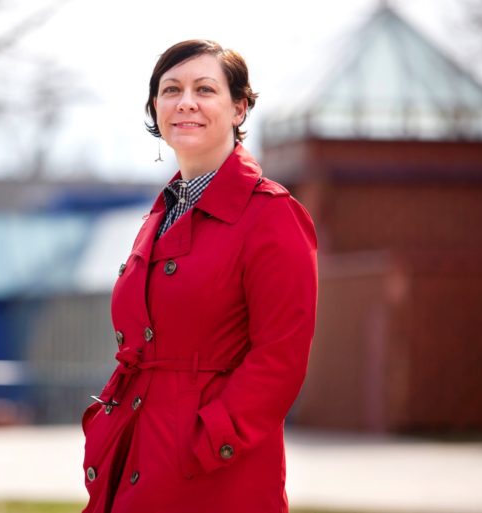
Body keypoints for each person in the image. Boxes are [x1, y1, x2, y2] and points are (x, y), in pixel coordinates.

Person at [81, 39, 318, 513]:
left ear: (239, 107)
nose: (185, 101)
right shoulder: (161, 213)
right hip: (138, 448)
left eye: (204, 89)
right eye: (171, 89)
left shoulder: (271, 214)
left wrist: (211, 438)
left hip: (213, 471)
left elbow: (281, 356)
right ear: (155, 108)